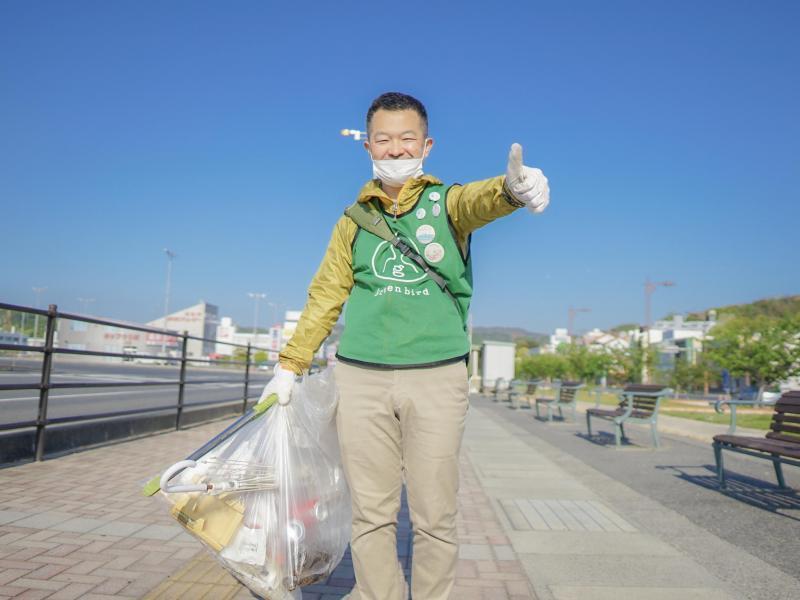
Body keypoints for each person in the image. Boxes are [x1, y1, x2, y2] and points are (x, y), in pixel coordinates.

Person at [261, 92, 549, 600]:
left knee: (435, 512)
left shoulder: (447, 203)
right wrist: (290, 365)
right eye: (385, 140)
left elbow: (478, 201)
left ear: (427, 145)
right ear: (369, 145)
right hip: (360, 378)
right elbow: (326, 294)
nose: (395, 150)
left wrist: (511, 189)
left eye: (407, 139)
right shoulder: (352, 221)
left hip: (437, 376)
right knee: (371, 513)